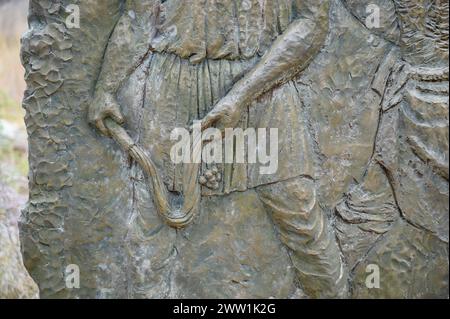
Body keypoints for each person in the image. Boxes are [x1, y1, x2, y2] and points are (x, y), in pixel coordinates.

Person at [89, 0, 348, 298]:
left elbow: (312, 23)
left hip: (262, 90)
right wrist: (106, 88)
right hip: (176, 92)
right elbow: (140, 17)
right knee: (151, 230)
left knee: (300, 216)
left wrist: (241, 95)